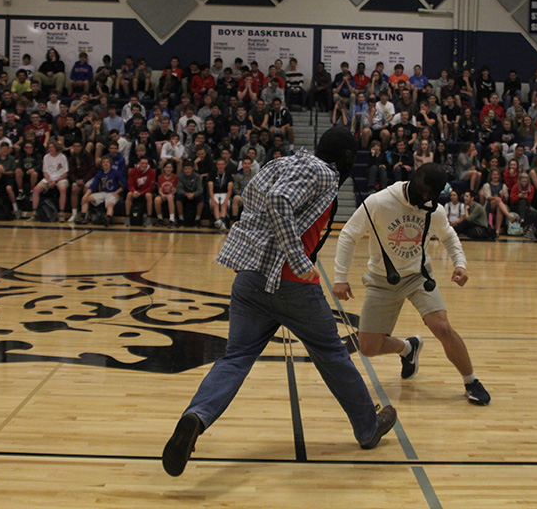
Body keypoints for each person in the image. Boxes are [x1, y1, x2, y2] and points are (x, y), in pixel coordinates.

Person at [163, 128, 396, 477]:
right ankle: (367, 427)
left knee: (236, 357)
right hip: (289, 281)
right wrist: (299, 261)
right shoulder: (321, 171)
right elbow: (278, 202)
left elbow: (257, 198)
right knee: (331, 353)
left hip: (250, 276)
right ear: (346, 157)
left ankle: (195, 417)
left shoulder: (283, 164)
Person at [333, 163, 489, 405]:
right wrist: (340, 278)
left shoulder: (433, 210)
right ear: (414, 180)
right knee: (368, 347)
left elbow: (448, 235)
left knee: (442, 327)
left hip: (418, 277)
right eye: (423, 191)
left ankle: (471, 381)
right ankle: (407, 348)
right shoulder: (379, 202)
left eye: (431, 195)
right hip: (381, 280)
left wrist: (460, 263)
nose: (425, 198)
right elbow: (348, 234)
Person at [81, 155, 126, 226]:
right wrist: (86, 195)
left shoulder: (115, 172)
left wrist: (117, 192)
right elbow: (93, 185)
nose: (105, 163)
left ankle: (108, 219)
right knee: (86, 198)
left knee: (109, 205)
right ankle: (83, 217)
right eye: (104, 162)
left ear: (110, 164)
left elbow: (125, 183)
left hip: (112, 193)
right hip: (103, 192)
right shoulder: (100, 173)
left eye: (107, 162)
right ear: (101, 164)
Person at [29, 140, 69, 221]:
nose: (50, 149)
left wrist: (56, 181)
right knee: (36, 189)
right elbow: (45, 172)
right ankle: (34, 214)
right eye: (49, 147)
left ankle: (61, 214)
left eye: (52, 147)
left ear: (56, 148)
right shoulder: (46, 157)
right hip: (48, 179)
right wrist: (49, 180)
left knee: (62, 189)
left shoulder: (62, 157)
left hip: (60, 178)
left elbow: (65, 173)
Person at [125, 157, 156, 227]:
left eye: (146, 164)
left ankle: (149, 218)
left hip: (145, 191)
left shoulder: (152, 172)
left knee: (148, 195)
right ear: (138, 163)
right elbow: (130, 184)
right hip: (135, 191)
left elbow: (151, 186)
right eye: (142, 163)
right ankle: (127, 217)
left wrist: (141, 193)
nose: (144, 165)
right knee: (129, 194)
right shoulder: (132, 171)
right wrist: (134, 191)